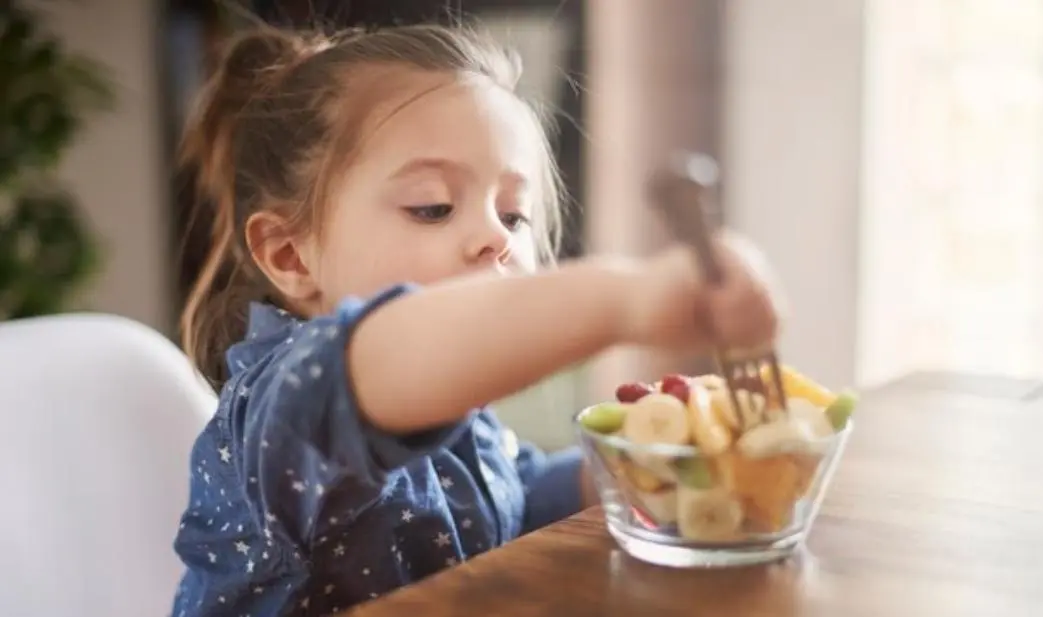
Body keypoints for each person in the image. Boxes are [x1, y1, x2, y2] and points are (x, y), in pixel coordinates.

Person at [170, 23, 781, 617]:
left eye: (514, 215)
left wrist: (641, 460)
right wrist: (628, 297)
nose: (495, 236)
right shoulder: (285, 408)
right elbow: (395, 351)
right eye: (432, 207)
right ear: (290, 255)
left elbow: (515, 498)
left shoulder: (455, 414)